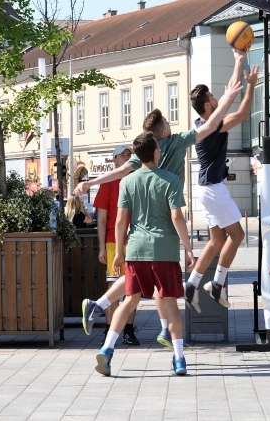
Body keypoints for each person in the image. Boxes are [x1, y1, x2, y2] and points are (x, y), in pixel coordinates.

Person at [79, 79, 243, 344]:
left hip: (142, 227)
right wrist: (189, 247)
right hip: (164, 224)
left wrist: (90, 182)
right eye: (167, 121)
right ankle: (167, 330)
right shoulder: (177, 142)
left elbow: (120, 173)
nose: (170, 123)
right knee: (156, 281)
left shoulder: (142, 155)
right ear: (163, 132)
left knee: (137, 282)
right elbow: (212, 124)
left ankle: (106, 311)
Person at [95, 132, 196, 377]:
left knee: (129, 300)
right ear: (156, 152)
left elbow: (120, 221)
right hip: (164, 249)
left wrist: (118, 252)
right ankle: (179, 359)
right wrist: (189, 248)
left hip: (136, 249)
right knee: (170, 304)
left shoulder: (127, 182)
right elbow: (176, 217)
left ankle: (107, 350)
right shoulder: (171, 179)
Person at [185, 50, 259, 312]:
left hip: (205, 188)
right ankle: (216, 285)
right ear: (207, 105)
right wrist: (250, 86)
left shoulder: (202, 122)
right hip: (214, 189)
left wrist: (238, 63)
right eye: (213, 97)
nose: (217, 98)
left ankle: (193, 283)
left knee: (217, 241)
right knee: (237, 235)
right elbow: (241, 113)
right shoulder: (212, 125)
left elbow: (229, 94)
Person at [87, 145, 140, 345]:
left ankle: (128, 329)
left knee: (133, 287)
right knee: (114, 285)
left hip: (135, 240)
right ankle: (110, 329)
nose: (126, 158)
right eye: (122, 156)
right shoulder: (108, 184)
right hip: (113, 241)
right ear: (114, 160)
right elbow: (101, 219)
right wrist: (102, 246)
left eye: (129, 155)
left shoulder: (137, 180)